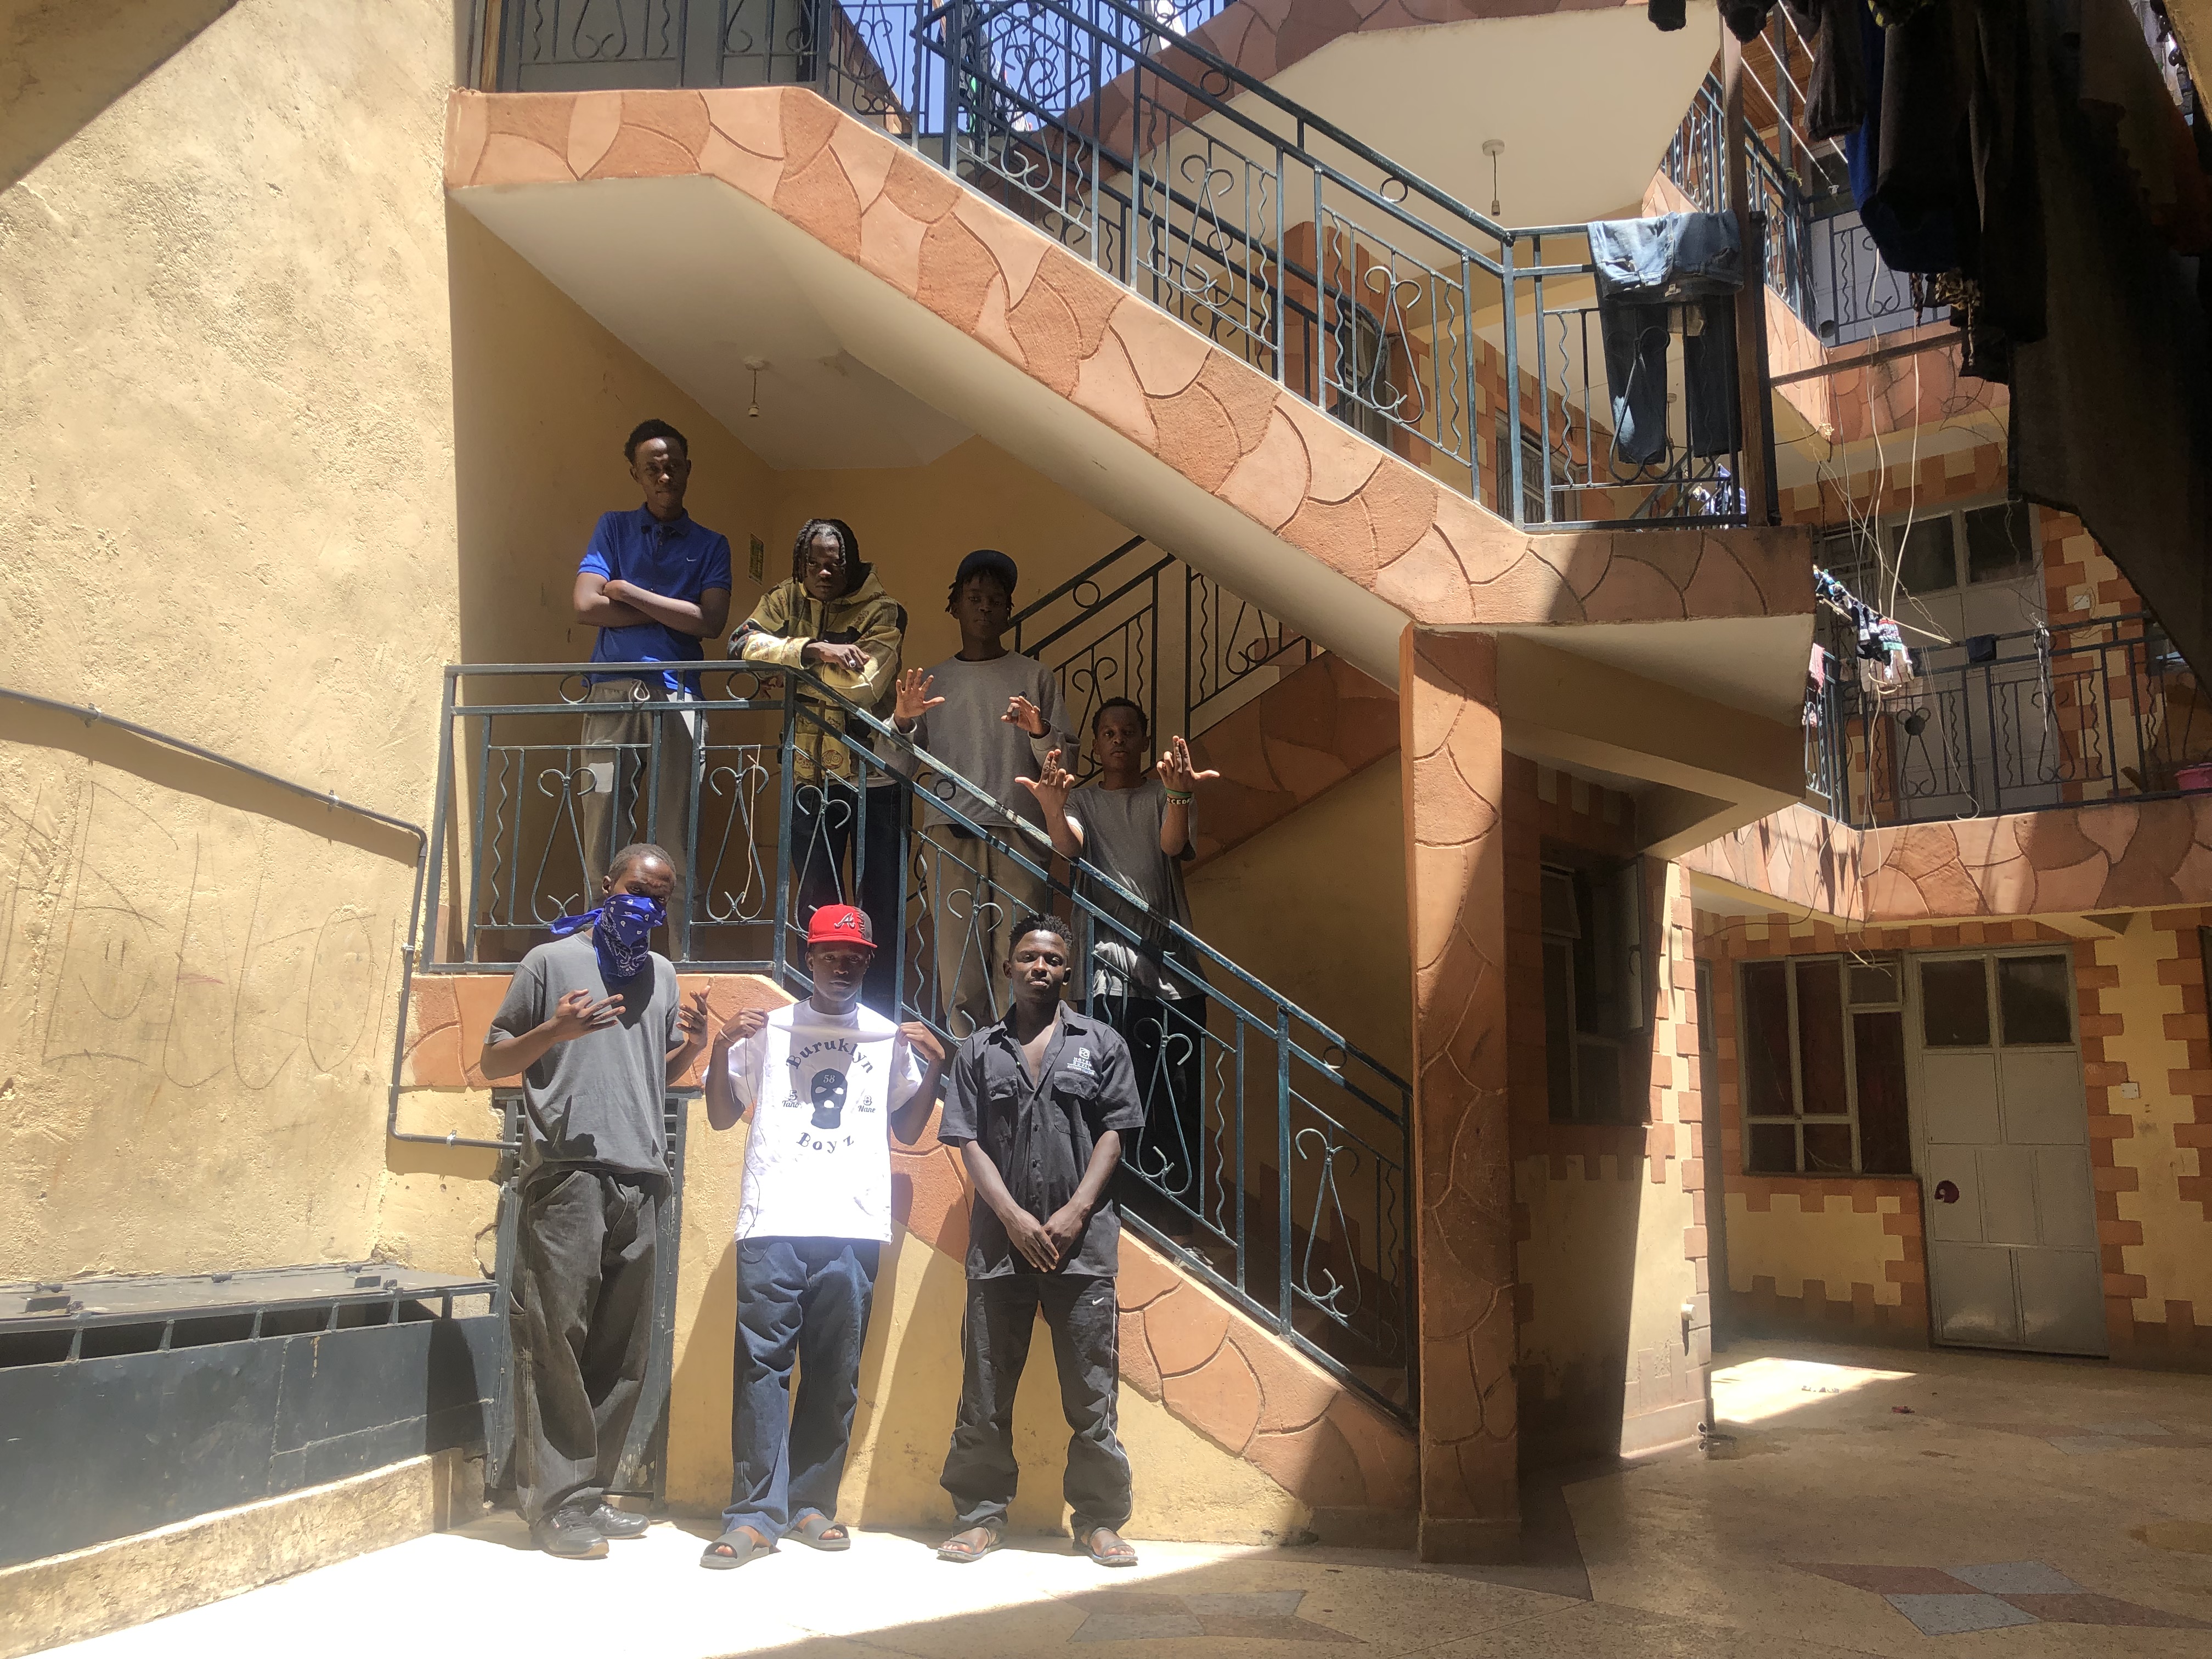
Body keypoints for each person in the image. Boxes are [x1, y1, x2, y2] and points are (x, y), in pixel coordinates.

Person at [699, 905, 947, 1570]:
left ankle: (811, 1503)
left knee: (836, 1373)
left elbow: (909, 1131)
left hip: (852, 1224)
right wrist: (722, 1048)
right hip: (773, 1219)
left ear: (869, 960)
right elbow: (722, 1117)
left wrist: (938, 1068)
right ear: (808, 957)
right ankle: (753, 1514)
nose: (844, 963)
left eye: (856, 954)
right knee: (761, 1367)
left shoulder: (887, 1035)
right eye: (831, 952)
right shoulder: (767, 1028)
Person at [481, 842, 711, 1559]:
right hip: (569, 1179)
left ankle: (589, 1494)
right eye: (636, 888)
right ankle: (554, 1507)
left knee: (621, 1355)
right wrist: (555, 1030)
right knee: (556, 1342)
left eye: (663, 895)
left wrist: (693, 1050)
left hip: (639, 1183)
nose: (647, 904)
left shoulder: (664, 977)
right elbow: (493, 1060)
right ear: (605, 886)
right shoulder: (549, 964)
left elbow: (651, 1070)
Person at [934, 915, 1144, 1571]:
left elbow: (1114, 1131)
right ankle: (979, 1517)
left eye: (1053, 960)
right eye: (1028, 957)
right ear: (1008, 968)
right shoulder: (978, 1051)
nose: (1040, 968)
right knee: (985, 1392)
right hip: (1000, 1253)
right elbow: (967, 1139)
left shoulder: (1102, 1043)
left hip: (1082, 1252)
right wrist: (1015, 1218)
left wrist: (1078, 1210)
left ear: (1067, 971)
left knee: (1091, 1395)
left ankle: (1100, 1522)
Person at [1023, 699, 1217, 1227]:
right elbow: (1069, 847)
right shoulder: (1082, 801)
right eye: (1107, 731)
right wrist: (1051, 808)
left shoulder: (1164, 792)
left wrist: (1179, 793)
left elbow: (1172, 842)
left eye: (1128, 731)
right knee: (1112, 1097)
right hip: (1107, 975)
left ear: (1143, 738)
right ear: (1098, 739)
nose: (1118, 740)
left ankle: (1178, 1212)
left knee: (1174, 1097)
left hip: (1171, 975)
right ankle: (1119, 1206)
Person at [891, 549, 1073, 1039]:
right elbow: (898, 767)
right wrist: (905, 720)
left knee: (1020, 959)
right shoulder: (934, 680)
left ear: (1010, 610)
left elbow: (1063, 767)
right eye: (974, 598)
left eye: (996, 599)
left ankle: (1023, 1063)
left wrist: (1039, 733)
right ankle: (971, 1072)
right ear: (955, 606)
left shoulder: (1036, 677)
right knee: (958, 961)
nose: (985, 608)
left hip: (1020, 836)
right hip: (951, 835)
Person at [731, 518, 908, 1014]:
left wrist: (784, 671)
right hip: (808, 774)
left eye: (835, 562)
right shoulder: (785, 599)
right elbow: (739, 648)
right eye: (814, 563)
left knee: (879, 906)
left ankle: (880, 1015)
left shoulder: (884, 609)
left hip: (873, 775)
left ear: (852, 563)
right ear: (800, 564)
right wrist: (812, 649)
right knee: (817, 901)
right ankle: (820, 1010)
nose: (824, 572)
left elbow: (863, 687)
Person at [573, 419, 733, 955]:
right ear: (636, 475)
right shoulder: (613, 528)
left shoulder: (711, 544)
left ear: (688, 469)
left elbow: (709, 623)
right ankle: (596, 948)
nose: (663, 474)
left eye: (672, 464)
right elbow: (585, 604)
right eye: (652, 467)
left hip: (679, 696)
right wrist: (669, 614)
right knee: (601, 822)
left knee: (677, 835)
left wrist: (626, 590)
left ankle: (681, 957)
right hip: (611, 694)